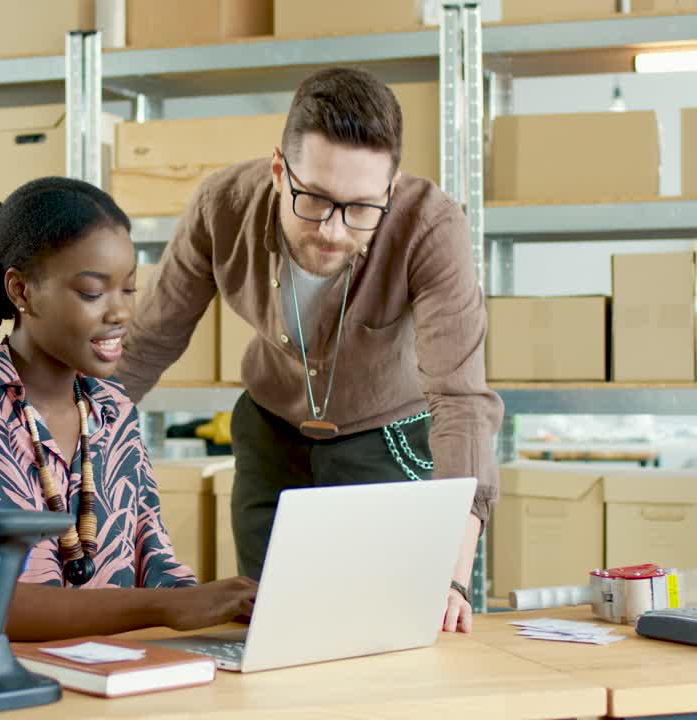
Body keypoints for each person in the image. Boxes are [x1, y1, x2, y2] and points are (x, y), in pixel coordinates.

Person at [116, 68, 504, 634]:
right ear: (280, 169)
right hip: (270, 434)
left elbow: (461, 398)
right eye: (314, 199)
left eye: (361, 209)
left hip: (386, 437)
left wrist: (453, 569)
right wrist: (67, 445)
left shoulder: (432, 226)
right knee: (271, 625)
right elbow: (146, 345)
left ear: (389, 191)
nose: (333, 230)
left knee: (378, 633)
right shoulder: (221, 206)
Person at [0, 177, 258, 642]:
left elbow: (156, 566)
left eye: (128, 289)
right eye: (92, 292)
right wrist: (166, 606)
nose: (120, 312)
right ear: (21, 291)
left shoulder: (113, 408)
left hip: (116, 685)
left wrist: (228, 605)